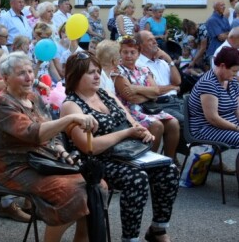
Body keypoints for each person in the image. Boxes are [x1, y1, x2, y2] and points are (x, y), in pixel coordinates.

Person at [61, 51, 179, 242]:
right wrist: (126, 133)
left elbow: (130, 120)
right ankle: (130, 238)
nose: (98, 76)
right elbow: (89, 147)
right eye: (91, 72)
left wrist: (141, 130)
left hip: (126, 153)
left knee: (169, 169)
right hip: (96, 162)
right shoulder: (71, 106)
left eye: (98, 71)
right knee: (136, 178)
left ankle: (158, 229)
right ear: (75, 76)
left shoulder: (106, 94)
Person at [0, 51, 102, 241]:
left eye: (30, 71)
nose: (29, 77)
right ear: (6, 78)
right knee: (75, 192)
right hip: (17, 169)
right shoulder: (1, 105)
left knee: (96, 185)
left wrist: (62, 151)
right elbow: (33, 133)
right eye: (21, 73)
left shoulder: (33, 98)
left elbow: (52, 134)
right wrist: (70, 118)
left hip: (45, 162)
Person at [114, 35, 180, 159]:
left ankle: (169, 161)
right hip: (130, 111)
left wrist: (137, 89)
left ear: (138, 54)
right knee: (157, 125)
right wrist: (149, 94)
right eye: (125, 52)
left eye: (132, 52)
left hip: (150, 108)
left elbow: (157, 92)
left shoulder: (144, 69)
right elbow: (131, 98)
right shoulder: (118, 71)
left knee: (174, 123)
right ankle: (150, 162)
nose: (129, 55)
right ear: (120, 54)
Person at [188, 46, 239, 176]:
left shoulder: (231, 81)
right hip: (205, 129)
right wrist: (237, 128)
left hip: (226, 126)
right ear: (222, 66)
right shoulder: (209, 83)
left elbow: (237, 108)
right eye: (234, 71)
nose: (236, 74)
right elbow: (213, 119)